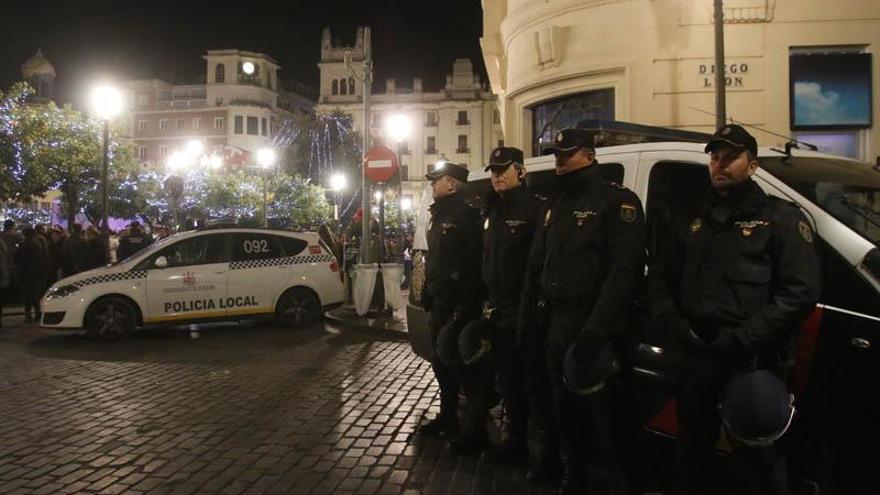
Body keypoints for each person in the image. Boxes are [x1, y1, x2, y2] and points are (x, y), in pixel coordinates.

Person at [649, 124, 820, 494]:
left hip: (751, 358)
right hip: (696, 354)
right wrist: (677, 327)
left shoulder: (781, 221)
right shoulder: (690, 220)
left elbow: (800, 292)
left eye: (730, 157)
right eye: (714, 157)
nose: (719, 164)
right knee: (692, 452)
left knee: (757, 459)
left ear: (753, 165)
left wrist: (743, 338)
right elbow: (660, 281)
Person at [521, 129, 645, 494]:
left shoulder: (616, 202)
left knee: (611, 418)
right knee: (565, 412)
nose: (559, 160)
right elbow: (536, 266)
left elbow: (623, 273)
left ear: (590, 156)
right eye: (556, 153)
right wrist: (533, 317)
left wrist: (595, 332)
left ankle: (628, 483)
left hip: (595, 330)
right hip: (557, 325)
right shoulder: (554, 206)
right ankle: (574, 475)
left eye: (568, 153)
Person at [460, 147, 546, 464]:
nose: (496, 175)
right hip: (496, 309)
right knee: (506, 378)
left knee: (528, 382)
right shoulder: (493, 211)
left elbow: (538, 265)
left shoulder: (535, 210)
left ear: (520, 172)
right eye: (494, 170)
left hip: (522, 309)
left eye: (503, 169)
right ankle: (514, 441)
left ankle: (529, 445)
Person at [418, 161, 484, 444]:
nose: (433, 185)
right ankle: (448, 416)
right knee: (440, 364)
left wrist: (464, 308)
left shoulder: (465, 216)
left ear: (452, 184)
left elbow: (472, 266)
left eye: (437, 180)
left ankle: (475, 428)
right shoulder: (438, 215)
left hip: (458, 307)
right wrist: (428, 292)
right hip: (440, 303)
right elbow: (437, 260)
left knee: (463, 369)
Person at [15, 227, 49, 323]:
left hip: (25, 273)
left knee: (26, 294)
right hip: (36, 273)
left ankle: (28, 314)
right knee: (36, 294)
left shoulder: (22, 245)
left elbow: (17, 259)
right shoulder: (37, 245)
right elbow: (43, 258)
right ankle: (37, 312)